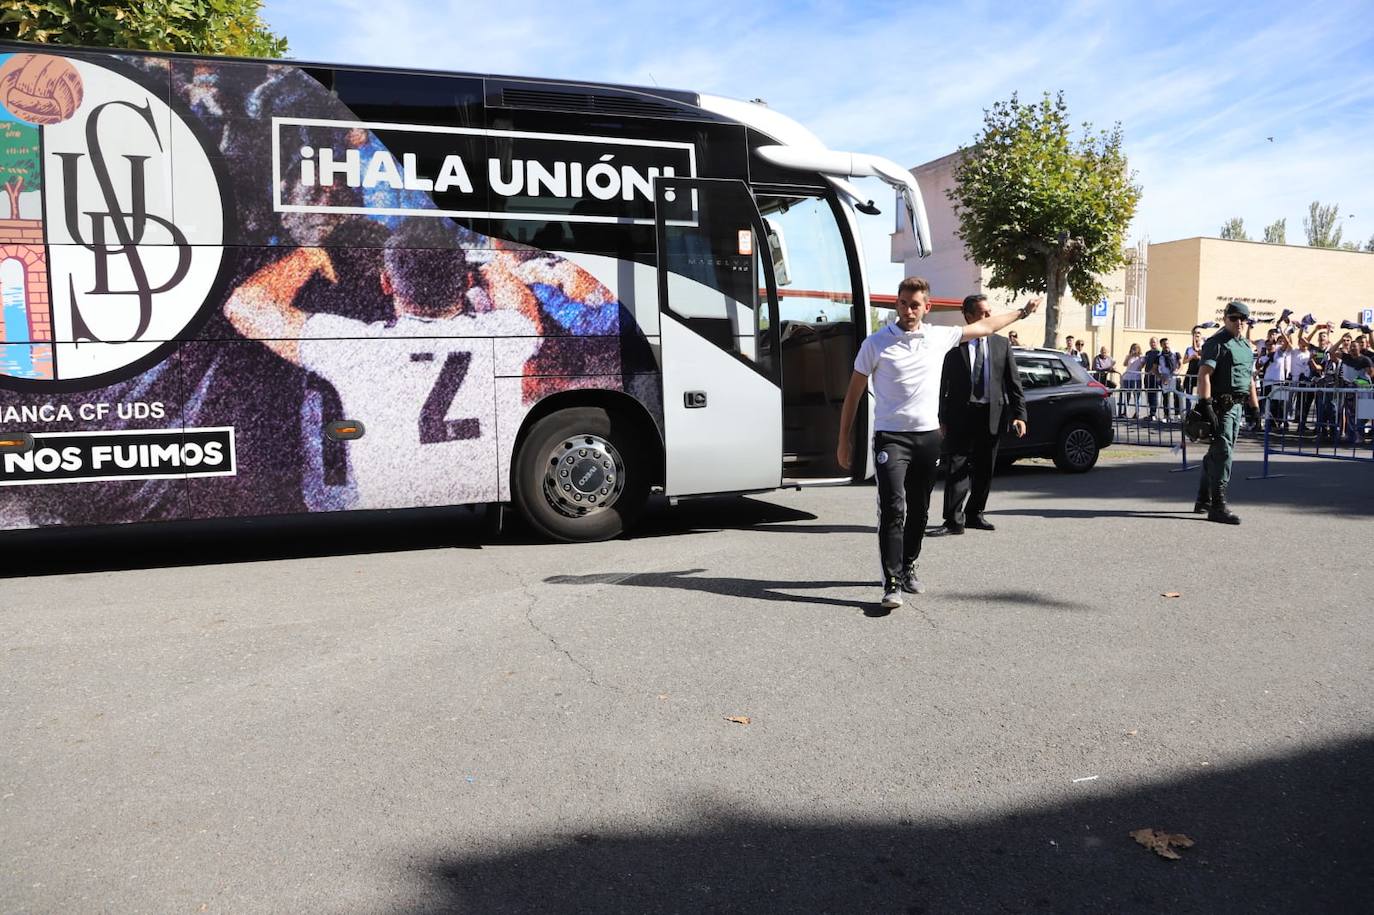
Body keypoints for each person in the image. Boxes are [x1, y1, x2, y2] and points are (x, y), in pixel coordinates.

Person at [223, 218, 542, 510]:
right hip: (479, 502)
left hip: (396, 512)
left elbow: (244, 305)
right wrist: (494, 269)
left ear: (387, 282)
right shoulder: (502, 336)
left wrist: (308, 256)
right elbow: (522, 308)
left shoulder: (359, 350)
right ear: (466, 279)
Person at [836, 278, 1040, 610]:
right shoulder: (875, 344)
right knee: (893, 508)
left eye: (915, 304)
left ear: (926, 307)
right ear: (897, 304)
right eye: (902, 303)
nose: (908, 310)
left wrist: (1022, 312)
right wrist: (843, 441)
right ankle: (891, 582)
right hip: (891, 437)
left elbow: (986, 325)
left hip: (928, 438)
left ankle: (909, 564)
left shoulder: (938, 337)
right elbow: (853, 395)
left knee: (919, 511)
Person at [931, 294, 1028, 537]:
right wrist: (940, 418)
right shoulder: (954, 345)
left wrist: (1020, 415)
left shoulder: (1001, 344)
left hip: (991, 414)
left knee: (985, 467)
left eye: (989, 312)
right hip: (960, 415)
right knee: (956, 467)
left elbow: (1013, 383)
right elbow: (942, 385)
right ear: (969, 316)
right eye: (983, 313)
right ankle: (953, 520)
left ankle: (975, 514)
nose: (989, 317)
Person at [1192, 301, 1259, 524]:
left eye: (1243, 319)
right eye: (1234, 318)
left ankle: (1203, 499)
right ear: (1225, 319)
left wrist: (1255, 406)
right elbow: (1204, 374)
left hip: (1238, 406)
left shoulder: (1246, 346)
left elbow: (1248, 378)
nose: (1239, 322)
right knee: (1223, 453)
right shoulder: (1216, 343)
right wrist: (1206, 404)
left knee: (1216, 452)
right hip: (1221, 406)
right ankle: (1218, 506)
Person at [1157, 338, 1182, 416]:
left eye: (1167, 343)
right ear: (1161, 345)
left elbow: (1181, 364)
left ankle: (1177, 414)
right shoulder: (1159, 356)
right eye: (1164, 344)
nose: (1166, 345)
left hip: (1175, 378)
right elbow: (1154, 369)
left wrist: (1178, 371)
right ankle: (1166, 415)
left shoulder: (1176, 353)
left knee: (1176, 396)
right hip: (1165, 379)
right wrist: (1161, 377)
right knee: (1166, 397)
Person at [1119, 342, 1144, 417]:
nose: (1134, 350)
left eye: (1136, 348)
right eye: (1133, 348)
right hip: (1127, 378)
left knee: (1137, 395)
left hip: (1136, 378)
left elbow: (1141, 367)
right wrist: (1130, 356)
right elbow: (1125, 364)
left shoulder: (1141, 357)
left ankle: (1137, 412)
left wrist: (1139, 358)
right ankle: (1125, 412)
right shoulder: (1129, 356)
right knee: (1127, 395)